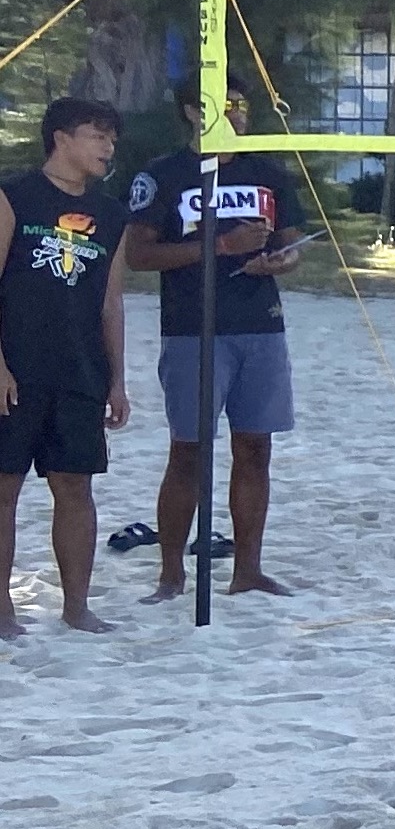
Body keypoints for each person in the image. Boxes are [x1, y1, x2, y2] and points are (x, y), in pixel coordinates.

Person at [121, 76, 307, 601]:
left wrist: (280, 259)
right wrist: (222, 245)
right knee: (189, 451)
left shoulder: (267, 173)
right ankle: (171, 575)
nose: (236, 113)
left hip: (260, 324)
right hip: (192, 328)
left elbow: (294, 245)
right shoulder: (164, 175)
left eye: (241, 104)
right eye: (224, 104)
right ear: (191, 111)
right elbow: (138, 255)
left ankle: (247, 570)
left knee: (255, 448)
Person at [0, 98, 132, 636]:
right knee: (5, 488)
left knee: (76, 487)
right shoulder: (15, 195)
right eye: (98, 136)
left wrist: (117, 380)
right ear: (61, 137)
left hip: (80, 370)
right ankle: (2, 611)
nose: (108, 147)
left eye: (112, 138)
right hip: (17, 367)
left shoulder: (112, 214)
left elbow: (111, 303)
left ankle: (76, 607)